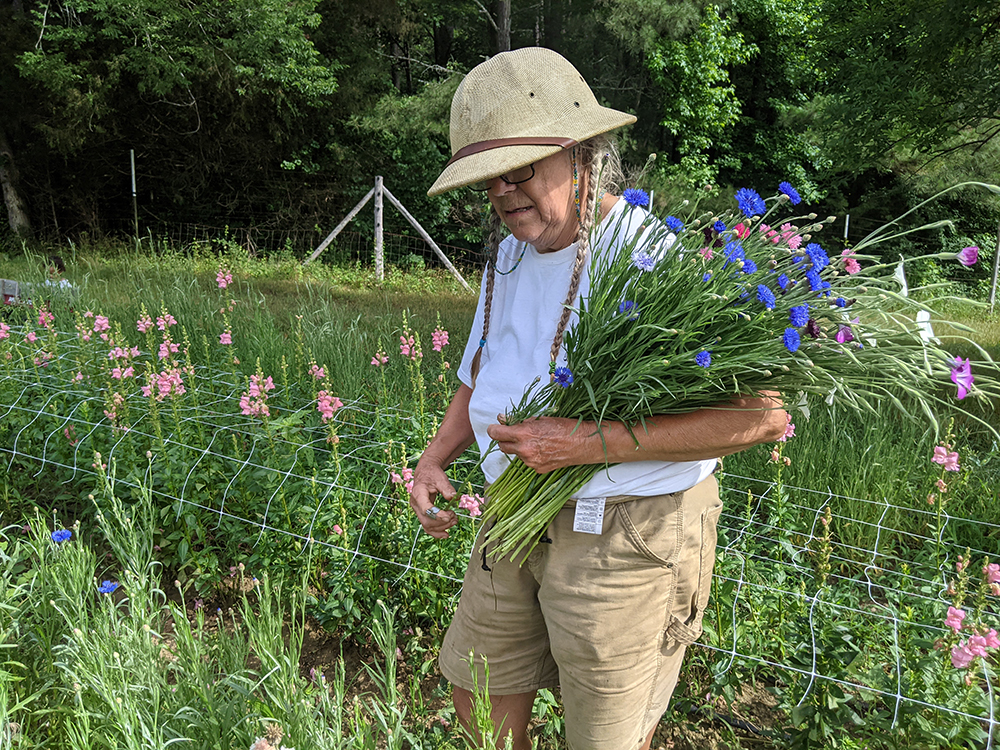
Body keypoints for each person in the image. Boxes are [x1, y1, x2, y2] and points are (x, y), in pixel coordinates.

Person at [411, 47, 787, 750]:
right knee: (477, 690)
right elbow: (480, 373)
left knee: (606, 735)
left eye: (519, 170)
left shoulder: (653, 259)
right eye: (488, 179)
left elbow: (761, 416)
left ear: (583, 152)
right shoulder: (509, 257)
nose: (502, 193)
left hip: (627, 529)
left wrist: (585, 443)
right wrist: (435, 458)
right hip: (514, 513)